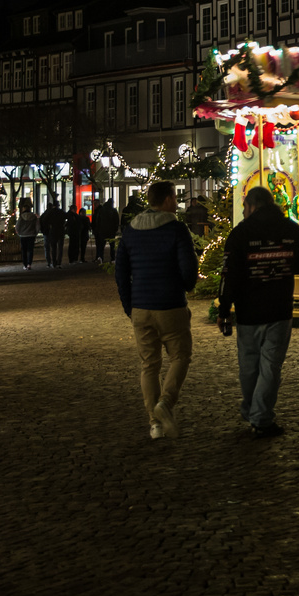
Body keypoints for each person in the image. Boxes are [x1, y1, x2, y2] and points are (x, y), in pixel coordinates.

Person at [218, 184, 299, 439]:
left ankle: (254, 410)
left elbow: (229, 274)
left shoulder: (241, 233)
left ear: (251, 205)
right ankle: (259, 415)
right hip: (279, 308)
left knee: (249, 365)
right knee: (271, 366)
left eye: (244, 207)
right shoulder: (291, 229)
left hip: (248, 309)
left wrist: (225, 307)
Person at [114, 181, 198, 440]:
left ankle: (155, 425)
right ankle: (166, 403)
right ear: (168, 200)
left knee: (149, 365)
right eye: (175, 197)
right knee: (180, 357)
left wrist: (130, 305)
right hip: (170, 304)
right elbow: (188, 268)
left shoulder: (130, 231)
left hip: (141, 307)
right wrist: (186, 286)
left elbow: (121, 273)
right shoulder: (176, 229)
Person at [40, 198, 68, 269]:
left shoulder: (50, 212)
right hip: (61, 231)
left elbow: (43, 220)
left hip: (53, 231)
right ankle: (59, 262)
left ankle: (54, 262)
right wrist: (64, 225)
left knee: (53, 247)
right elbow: (67, 217)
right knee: (60, 247)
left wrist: (47, 227)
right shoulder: (61, 212)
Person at [93, 197, 120, 263]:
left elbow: (98, 220)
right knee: (112, 245)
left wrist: (98, 229)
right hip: (111, 231)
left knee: (101, 245)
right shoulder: (113, 210)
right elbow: (116, 220)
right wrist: (115, 229)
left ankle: (100, 257)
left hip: (102, 230)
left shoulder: (101, 210)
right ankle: (112, 258)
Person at [16, 199, 39, 269]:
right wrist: (35, 233)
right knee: (30, 250)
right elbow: (37, 226)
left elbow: (17, 226)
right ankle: (29, 264)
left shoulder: (21, 217)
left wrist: (19, 233)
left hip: (23, 235)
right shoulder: (34, 217)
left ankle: (25, 264)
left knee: (24, 250)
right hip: (31, 235)